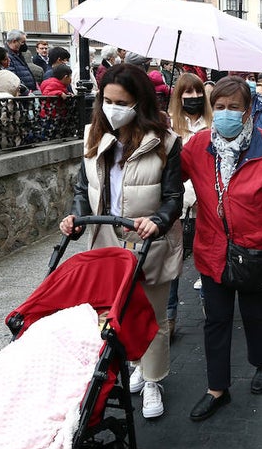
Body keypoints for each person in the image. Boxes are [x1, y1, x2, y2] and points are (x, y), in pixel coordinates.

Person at [60, 63, 184, 420]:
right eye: (107, 99)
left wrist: (158, 221)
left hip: (149, 241)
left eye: (122, 101)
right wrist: (77, 217)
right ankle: (136, 366)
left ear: (139, 103)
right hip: (106, 239)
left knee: (155, 316)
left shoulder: (166, 142)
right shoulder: (93, 136)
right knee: (115, 312)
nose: (113, 107)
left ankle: (154, 380)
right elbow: (85, 187)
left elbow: (173, 196)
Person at [180, 75, 262, 421]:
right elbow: (170, 180)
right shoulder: (196, 147)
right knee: (216, 322)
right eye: (218, 107)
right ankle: (216, 389)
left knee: (255, 315)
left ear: (248, 111)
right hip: (212, 250)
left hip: (256, 251)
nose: (225, 114)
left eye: (233, 108)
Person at [165, 72, 211, 340]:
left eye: (197, 93)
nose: (192, 97)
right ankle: (169, 316)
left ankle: (211, 309)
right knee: (171, 263)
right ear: (178, 96)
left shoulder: (213, 123)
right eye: (187, 93)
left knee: (205, 259)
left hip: (203, 204)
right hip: (176, 206)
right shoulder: (168, 126)